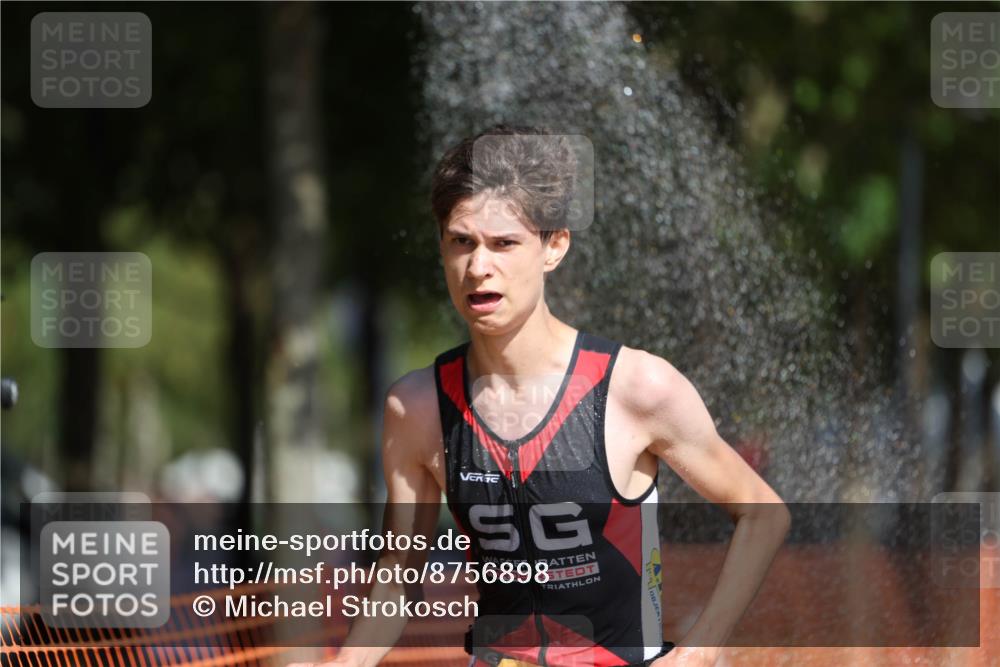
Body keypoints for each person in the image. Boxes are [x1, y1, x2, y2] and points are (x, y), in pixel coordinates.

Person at [292, 125, 790, 667]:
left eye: (504, 243)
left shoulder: (637, 388)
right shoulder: (414, 408)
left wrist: (699, 652)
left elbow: (764, 515)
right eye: (462, 242)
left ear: (554, 246)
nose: (479, 267)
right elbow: (398, 576)